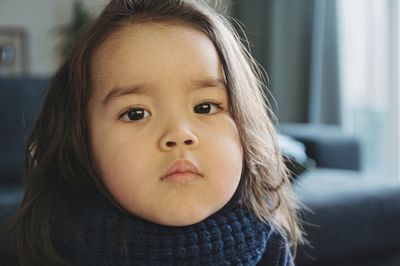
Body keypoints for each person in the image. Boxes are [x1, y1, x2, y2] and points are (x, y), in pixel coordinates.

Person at [8, 0, 304, 265]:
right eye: (136, 113)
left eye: (205, 107)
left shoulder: (269, 241)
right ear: (81, 143)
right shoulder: (54, 245)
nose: (179, 134)